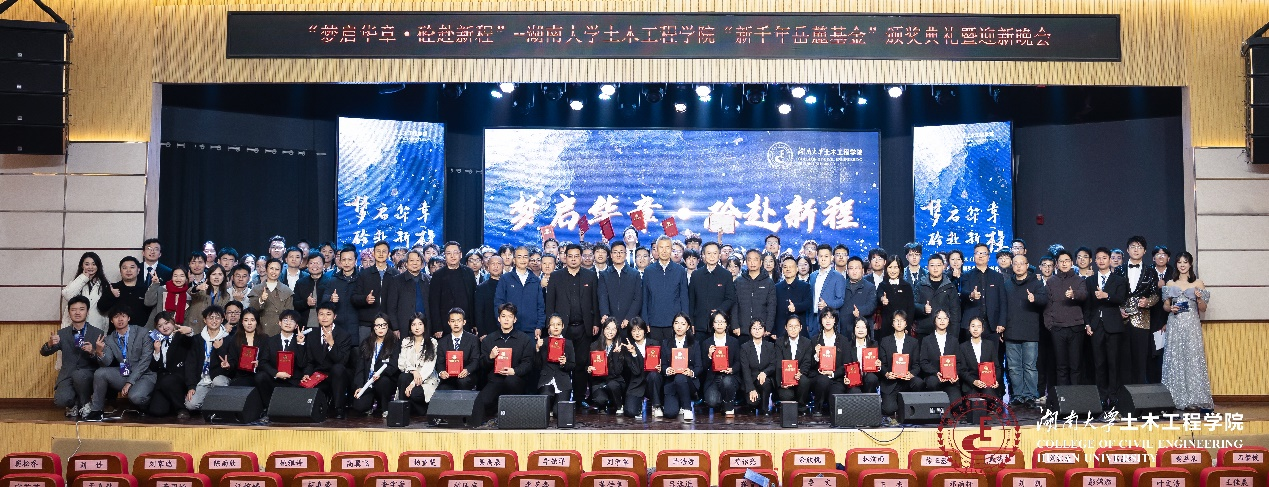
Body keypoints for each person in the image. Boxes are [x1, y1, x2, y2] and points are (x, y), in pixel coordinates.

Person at [545, 244, 601, 401]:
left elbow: (595, 302)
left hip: (584, 326)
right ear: (565, 257)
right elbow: (550, 303)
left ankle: (579, 399)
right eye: (570, 256)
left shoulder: (590, 276)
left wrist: (596, 322)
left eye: (577, 256)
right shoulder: (556, 276)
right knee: (561, 362)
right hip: (562, 328)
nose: (574, 259)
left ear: (581, 257)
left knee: (581, 363)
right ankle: (561, 398)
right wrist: (550, 325)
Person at [1160, 252, 1212, 411]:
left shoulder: (1198, 283)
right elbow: (1165, 306)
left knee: (1192, 359)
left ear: (1190, 264)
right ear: (1176, 264)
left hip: (1191, 325)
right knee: (1175, 359)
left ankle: (1195, 398)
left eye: (1185, 262)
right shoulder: (1170, 283)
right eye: (1179, 262)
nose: (1182, 265)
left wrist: (1199, 298)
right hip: (1175, 324)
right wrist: (1171, 308)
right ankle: (1174, 398)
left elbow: (1203, 309)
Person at [86, 306, 156, 421]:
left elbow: (145, 362)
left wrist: (129, 382)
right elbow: (106, 362)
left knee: (136, 397)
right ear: (111, 320)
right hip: (125, 373)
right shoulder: (109, 339)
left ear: (129, 318)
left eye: (123, 316)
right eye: (116, 317)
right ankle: (96, 410)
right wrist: (99, 351)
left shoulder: (143, 333)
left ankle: (147, 404)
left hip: (144, 375)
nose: (120, 319)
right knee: (100, 373)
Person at [470, 303, 535, 426]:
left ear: (515, 319)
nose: (506, 319)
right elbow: (481, 365)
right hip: (495, 380)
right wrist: (490, 357)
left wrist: (514, 371)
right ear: (499, 319)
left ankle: (511, 416)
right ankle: (482, 424)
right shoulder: (489, 339)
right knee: (481, 402)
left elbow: (528, 363)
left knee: (510, 381)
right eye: (503, 316)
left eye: (510, 316)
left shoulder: (524, 339)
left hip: (515, 379)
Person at [41, 296, 105, 418]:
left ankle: (85, 403)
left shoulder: (97, 333)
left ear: (87, 312)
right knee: (61, 400)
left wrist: (93, 351)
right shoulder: (62, 333)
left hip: (88, 375)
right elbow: (44, 353)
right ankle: (73, 405)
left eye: (81, 309)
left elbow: (103, 361)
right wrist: (49, 344)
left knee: (79, 375)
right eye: (73, 309)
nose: (77, 312)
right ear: (69, 312)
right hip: (68, 374)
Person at [1085, 247, 1128, 411]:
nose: (1101, 260)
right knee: (1099, 363)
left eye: (1104, 257)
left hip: (1113, 325)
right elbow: (1087, 306)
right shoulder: (1090, 281)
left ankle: (1114, 396)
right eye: (1098, 258)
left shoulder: (1119, 280)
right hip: (1096, 326)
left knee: (1113, 362)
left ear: (1110, 260)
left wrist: (1106, 296)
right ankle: (1102, 397)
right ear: (1094, 261)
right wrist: (1087, 323)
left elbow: (1121, 298)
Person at [1003, 254, 1048, 408]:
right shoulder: (1007, 284)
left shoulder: (1036, 283)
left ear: (1027, 265)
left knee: (1029, 367)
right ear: (1012, 266)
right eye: (1015, 263)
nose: (1018, 266)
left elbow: (1044, 300)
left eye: (1021, 263)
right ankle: (1018, 395)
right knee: (1014, 367)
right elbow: (1003, 307)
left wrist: (1035, 299)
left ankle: (1030, 395)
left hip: (1030, 331)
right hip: (1011, 331)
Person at [1117, 236, 1160, 386]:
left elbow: (1156, 295)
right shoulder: (1119, 270)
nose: (1136, 250)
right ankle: (1123, 394)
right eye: (1133, 247)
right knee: (1123, 360)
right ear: (1127, 250)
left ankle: (1140, 395)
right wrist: (1119, 309)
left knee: (1140, 360)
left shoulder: (1151, 271)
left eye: (1140, 247)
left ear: (1145, 251)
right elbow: (1113, 293)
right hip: (1121, 321)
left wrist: (1148, 302)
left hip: (1142, 320)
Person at [1044, 250, 1088, 396]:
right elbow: (1047, 306)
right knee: (1061, 366)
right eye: (1061, 261)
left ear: (1072, 263)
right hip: (1057, 329)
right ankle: (1063, 399)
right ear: (1057, 264)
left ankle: (1076, 397)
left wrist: (1074, 294)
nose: (1064, 263)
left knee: (1076, 366)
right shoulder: (1051, 281)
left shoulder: (1079, 280)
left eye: (1067, 261)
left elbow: (1084, 295)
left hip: (1076, 328)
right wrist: (1050, 325)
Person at [300, 302, 354, 419]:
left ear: (335, 316)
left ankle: (339, 408)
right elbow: (310, 361)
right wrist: (307, 374)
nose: (324, 317)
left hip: (338, 375)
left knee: (338, 369)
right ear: (317, 316)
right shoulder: (312, 334)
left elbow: (342, 361)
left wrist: (331, 344)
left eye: (328, 314)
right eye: (321, 314)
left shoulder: (344, 335)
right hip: (319, 375)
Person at [182, 306, 232, 415]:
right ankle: (211, 405)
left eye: (217, 318)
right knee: (191, 404)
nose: (214, 321)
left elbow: (232, 363)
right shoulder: (197, 339)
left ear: (222, 319)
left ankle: (216, 407)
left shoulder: (228, 339)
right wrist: (191, 386)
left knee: (218, 381)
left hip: (220, 378)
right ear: (205, 320)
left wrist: (220, 349)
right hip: (203, 381)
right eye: (211, 318)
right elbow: (190, 364)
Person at [642, 236, 690, 343]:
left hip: (675, 323)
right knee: (654, 352)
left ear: (671, 249)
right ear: (656, 249)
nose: (664, 251)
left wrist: (685, 321)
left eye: (667, 247)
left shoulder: (680, 270)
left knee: (673, 352)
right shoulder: (649, 271)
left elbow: (684, 298)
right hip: (654, 322)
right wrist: (645, 321)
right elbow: (645, 298)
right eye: (661, 247)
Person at [351, 314, 400, 417]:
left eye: (383, 325)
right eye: (377, 325)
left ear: (388, 326)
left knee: (383, 382)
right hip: (368, 382)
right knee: (359, 407)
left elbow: (394, 366)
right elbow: (360, 368)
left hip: (384, 381)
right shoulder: (366, 343)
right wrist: (359, 386)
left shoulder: (394, 343)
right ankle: (371, 402)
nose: (380, 328)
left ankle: (385, 407)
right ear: (373, 327)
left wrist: (381, 374)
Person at [146, 312, 192, 418]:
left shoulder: (181, 335)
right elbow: (153, 368)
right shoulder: (157, 341)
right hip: (163, 379)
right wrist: (157, 351)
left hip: (179, 377)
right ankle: (172, 403)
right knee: (156, 411)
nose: (164, 327)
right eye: (160, 326)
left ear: (173, 321)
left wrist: (189, 331)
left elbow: (191, 340)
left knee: (167, 381)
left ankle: (182, 409)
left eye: (166, 323)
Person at [879, 310, 921, 424]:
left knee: (918, 383)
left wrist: (911, 374)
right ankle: (897, 404)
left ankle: (910, 405)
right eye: (896, 320)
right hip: (891, 383)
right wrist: (887, 374)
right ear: (892, 323)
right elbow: (881, 364)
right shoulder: (885, 341)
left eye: (901, 320)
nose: (899, 323)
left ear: (906, 323)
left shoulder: (913, 342)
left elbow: (917, 365)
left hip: (907, 381)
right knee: (888, 409)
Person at [428, 241, 476, 339]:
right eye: (449, 253)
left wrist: (474, 324)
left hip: (466, 324)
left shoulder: (469, 273)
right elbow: (434, 303)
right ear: (444, 255)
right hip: (445, 325)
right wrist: (437, 327)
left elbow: (474, 299)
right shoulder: (437, 275)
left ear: (460, 255)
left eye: (455, 253)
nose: (452, 256)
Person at [689, 241, 736, 342]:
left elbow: (730, 298)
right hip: (699, 325)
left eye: (715, 253)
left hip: (719, 325)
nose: (712, 256)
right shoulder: (696, 275)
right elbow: (691, 300)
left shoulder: (726, 275)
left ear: (719, 255)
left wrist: (719, 310)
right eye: (708, 253)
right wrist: (691, 322)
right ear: (703, 255)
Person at [355, 241, 401, 341]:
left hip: (388, 323)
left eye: (384, 251)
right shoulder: (364, 274)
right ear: (373, 253)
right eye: (378, 251)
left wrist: (395, 325)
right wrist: (365, 299)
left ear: (389, 254)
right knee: (365, 350)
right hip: (367, 323)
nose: (381, 254)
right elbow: (354, 297)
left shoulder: (396, 274)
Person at [960, 244, 1007, 343]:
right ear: (974, 256)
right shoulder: (966, 275)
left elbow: (1003, 301)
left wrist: (1002, 322)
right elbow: (963, 293)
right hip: (971, 324)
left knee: (991, 352)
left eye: (984, 253)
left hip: (992, 325)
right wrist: (971, 295)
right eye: (978, 253)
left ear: (988, 257)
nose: (980, 256)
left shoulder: (997, 277)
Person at [496, 246, 546, 337]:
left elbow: (540, 306)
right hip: (510, 328)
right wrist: (501, 324)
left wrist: (539, 326)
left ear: (529, 259)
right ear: (514, 260)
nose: (522, 260)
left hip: (532, 330)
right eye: (519, 257)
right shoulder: (505, 279)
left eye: (525, 257)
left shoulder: (535, 280)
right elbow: (498, 303)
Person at [659, 313, 701, 421]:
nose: (679, 326)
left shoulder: (694, 343)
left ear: (688, 327)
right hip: (671, 382)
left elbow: (699, 366)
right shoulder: (665, 343)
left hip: (688, 382)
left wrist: (691, 372)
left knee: (680, 377)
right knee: (669, 413)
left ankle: (687, 408)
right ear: (673, 325)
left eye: (683, 324)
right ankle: (679, 403)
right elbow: (663, 365)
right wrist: (667, 370)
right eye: (676, 323)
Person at [619, 318, 663, 419]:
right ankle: (639, 404)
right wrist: (634, 354)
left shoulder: (655, 343)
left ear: (645, 330)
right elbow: (636, 372)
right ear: (630, 333)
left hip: (653, 382)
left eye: (639, 330)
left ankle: (656, 406)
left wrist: (661, 366)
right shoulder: (628, 348)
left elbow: (663, 364)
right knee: (630, 412)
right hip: (637, 383)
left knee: (654, 375)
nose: (637, 333)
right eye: (634, 331)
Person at [699, 310, 740, 416]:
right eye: (717, 322)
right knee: (712, 402)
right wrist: (709, 355)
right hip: (713, 378)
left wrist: (732, 369)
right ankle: (721, 402)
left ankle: (728, 404)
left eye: (722, 322)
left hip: (729, 377)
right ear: (712, 324)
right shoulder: (706, 343)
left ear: (726, 324)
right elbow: (703, 367)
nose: (719, 324)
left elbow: (738, 362)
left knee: (727, 382)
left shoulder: (734, 342)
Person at [397, 313, 440, 416]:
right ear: (410, 327)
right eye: (413, 324)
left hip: (427, 380)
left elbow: (428, 368)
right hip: (411, 377)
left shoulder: (432, 342)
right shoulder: (406, 341)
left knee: (414, 394)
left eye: (420, 324)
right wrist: (413, 371)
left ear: (425, 326)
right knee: (403, 377)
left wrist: (412, 385)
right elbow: (401, 363)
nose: (417, 327)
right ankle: (402, 411)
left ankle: (422, 410)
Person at [228, 307, 273, 404]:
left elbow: (270, 359)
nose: (249, 323)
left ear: (257, 322)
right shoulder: (235, 339)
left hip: (260, 373)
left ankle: (267, 407)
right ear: (242, 322)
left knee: (261, 378)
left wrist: (260, 363)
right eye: (246, 320)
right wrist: (228, 365)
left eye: (252, 320)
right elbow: (232, 361)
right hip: (243, 375)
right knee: (236, 385)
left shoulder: (265, 338)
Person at [918, 309, 962, 406]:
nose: (942, 321)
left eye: (945, 318)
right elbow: (923, 362)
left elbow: (958, 362)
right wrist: (936, 372)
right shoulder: (926, 340)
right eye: (939, 318)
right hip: (934, 378)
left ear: (948, 321)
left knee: (957, 404)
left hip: (950, 380)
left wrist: (955, 374)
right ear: (934, 320)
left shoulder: (954, 340)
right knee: (932, 383)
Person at [913, 254, 961, 341]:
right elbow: (913, 305)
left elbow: (955, 312)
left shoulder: (950, 286)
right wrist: (923, 308)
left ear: (943, 267)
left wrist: (954, 336)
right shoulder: (920, 285)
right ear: (927, 267)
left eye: (938, 265)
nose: (935, 268)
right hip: (924, 331)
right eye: (932, 265)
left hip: (945, 332)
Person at [598, 241, 642, 333]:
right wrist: (605, 314)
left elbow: (637, 298)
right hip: (610, 323)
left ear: (626, 255)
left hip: (630, 322)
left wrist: (629, 318)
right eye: (615, 252)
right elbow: (603, 297)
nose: (618, 255)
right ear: (611, 255)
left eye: (621, 252)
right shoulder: (604, 275)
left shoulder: (635, 274)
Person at [536, 314, 577, 415]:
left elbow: (572, 365)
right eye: (552, 324)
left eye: (558, 324)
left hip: (563, 382)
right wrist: (537, 349)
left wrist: (564, 363)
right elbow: (537, 366)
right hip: (546, 380)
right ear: (549, 327)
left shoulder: (568, 343)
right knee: (545, 405)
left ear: (563, 326)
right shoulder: (543, 342)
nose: (555, 327)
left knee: (558, 413)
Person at [98, 256, 152, 330]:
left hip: (140, 333)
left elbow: (151, 313)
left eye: (132, 267)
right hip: (116, 333)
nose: (128, 270)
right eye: (124, 268)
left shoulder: (145, 289)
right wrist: (111, 295)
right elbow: (101, 308)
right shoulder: (113, 288)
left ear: (138, 270)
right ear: (120, 271)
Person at [385, 250, 430, 338]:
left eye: (418, 260)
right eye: (411, 260)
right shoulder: (396, 281)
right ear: (406, 263)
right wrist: (395, 327)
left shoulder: (428, 280)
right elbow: (391, 307)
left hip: (425, 326)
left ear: (422, 264)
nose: (415, 263)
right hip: (403, 327)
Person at [733, 249, 776, 340]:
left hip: (762, 330)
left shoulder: (768, 282)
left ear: (761, 262)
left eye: (755, 259)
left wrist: (768, 327)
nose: (752, 263)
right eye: (749, 259)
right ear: (746, 262)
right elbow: (734, 305)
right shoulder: (738, 281)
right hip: (742, 330)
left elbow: (771, 307)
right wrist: (735, 325)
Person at [776, 316, 815, 415]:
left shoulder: (807, 342)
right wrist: (782, 381)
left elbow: (807, 362)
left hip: (799, 377)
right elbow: (778, 364)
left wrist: (800, 372)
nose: (793, 329)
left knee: (804, 381)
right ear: (786, 327)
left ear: (801, 328)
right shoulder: (779, 342)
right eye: (790, 326)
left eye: (796, 326)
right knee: (787, 396)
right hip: (785, 380)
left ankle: (801, 406)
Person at [588, 319, 628, 414]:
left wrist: (616, 354)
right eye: (608, 328)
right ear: (603, 329)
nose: (610, 332)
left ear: (617, 331)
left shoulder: (621, 346)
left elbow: (617, 372)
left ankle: (619, 406)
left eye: (613, 329)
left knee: (612, 385)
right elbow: (587, 365)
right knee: (600, 400)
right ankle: (604, 404)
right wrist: (589, 369)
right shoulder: (594, 346)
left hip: (615, 381)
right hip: (599, 382)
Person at [62, 252, 110, 330]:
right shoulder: (76, 282)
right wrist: (84, 278)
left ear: (98, 266)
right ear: (82, 266)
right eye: (87, 264)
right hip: (75, 328)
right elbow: (67, 295)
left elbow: (105, 310)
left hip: (96, 327)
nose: (90, 267)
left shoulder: (104, 284)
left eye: (93, 264)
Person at [738, 320, 777, 415]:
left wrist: (765, 373)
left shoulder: (770, 346)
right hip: (750, 381)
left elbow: (773, 364)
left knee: (766, 382)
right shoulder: (744, 347)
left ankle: (764, 408)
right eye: (754, 328)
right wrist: (751, 389)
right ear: (750, 330)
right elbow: (745, 370)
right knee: (753, 403)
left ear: (764, 331)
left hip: (764, 380)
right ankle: (754, 402)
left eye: (760, 328)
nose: (757, 330)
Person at [810, 309, 845, 412]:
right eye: (825, 317)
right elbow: (809, 365)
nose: (828, 320)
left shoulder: (843, 340)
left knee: (834, 407)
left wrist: (833, 374)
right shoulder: (814, 340)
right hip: (819, 378)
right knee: (823, 380)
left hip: (836, 378)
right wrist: (816, 356)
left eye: (831, 317)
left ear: (835, 320)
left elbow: (846, 364)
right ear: (821, 320)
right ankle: (817, 409)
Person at [436, 308, 480, 391]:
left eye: (459, 321)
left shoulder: (473, 339)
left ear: (464, 322)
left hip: (467, 376)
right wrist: (441, 372)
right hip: (449, 377)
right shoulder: (442, 342)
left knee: (462, 381)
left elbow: (476, 360)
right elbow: (440, 362)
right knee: (442, 388)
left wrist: (467, 370)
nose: (456, 324)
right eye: (453, 321)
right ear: (449, 323)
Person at [808, 245, 846, 336]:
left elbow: (840, 300)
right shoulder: (813, 276)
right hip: (813, 320)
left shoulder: (838, 277)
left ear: (831, 258)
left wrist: (827, 304)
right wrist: (808, 322)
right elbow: (809, 299)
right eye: (821, 256)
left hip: (829, 320)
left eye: (826, 256)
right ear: (817, 257)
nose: (823, 259)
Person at [249, 258, 293, 336]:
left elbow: (289, 314)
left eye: (277, 269)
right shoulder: (257, 289)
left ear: (280, 272)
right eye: (271, 268)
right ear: (266, 270)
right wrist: (261, 300)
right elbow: (251, 311)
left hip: (280, 330)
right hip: (260, 329)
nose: (274, 272)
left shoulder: (286, 290)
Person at [324, 245, 361, 339]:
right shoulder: (332, 280)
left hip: (358, 327)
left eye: (350, 259)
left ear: (356, 261)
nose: (346, 263)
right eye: (343, 260)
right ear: (340, 261)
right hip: (338, 326)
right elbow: (323, 300)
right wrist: (331, 299)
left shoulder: (362, 279)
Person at [877, 256, 915, 338]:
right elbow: (879, 295)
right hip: (886, 328)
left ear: (900, 269)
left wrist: (907, 326)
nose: (893, 271)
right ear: (886, 269)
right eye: (890, 267)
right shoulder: (882, 285)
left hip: (903, 328)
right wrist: (882, 299)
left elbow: (911, 309)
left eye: (895, 267)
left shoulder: (906, 286)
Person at [775, 256, 813, 339]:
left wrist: (796, 307)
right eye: (785, 267)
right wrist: (774, 330)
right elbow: (773, 309)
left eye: (791, 267)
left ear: (797, 269)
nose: (788, 269)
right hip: (780, 330)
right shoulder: (777, 287)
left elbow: (808, 303)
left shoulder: (805, 286)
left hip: (799, 330)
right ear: (782, 269)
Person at [187, 264, 232, 333]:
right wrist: (197, 288)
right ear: (209, 277)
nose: (216, 277)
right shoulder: (201, 289)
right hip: (196, 326)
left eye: (220, 274)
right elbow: (190, 291)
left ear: (223, 277)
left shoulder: (226, 295)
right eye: (213, 274)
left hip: (214, 329)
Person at [292, 252, 331, 328]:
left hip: (325, 325)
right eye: (311, 263)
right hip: (304, 325)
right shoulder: (300, 282)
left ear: (324, 265)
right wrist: (306, 303)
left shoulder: (330, 282)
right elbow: (295, 304)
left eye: (318, 263)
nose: (315, 265)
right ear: (307, 265)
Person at [842, 319, 880, 394]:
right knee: (854, 391)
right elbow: (845, 365)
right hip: (854, 380)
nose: (860, 330)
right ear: (854, 329)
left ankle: (868, 400)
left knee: (872, 378)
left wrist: (878, 365)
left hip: (868, 379)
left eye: (863, 327)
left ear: (867, 330)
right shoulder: (848, 345)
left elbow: (878, 367)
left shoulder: (874, 345)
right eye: (858, 327)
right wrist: (846, 377)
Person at [473, 255, 504, 337]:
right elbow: (478, 312)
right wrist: (482, 332)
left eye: (498, 263)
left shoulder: (508, 285)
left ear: (503, 266)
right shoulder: (481, 288)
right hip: (489, 332)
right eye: (493, 264)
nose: (496, 266)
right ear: (488, 267)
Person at [843, 257, 878, 329]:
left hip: (863, 329)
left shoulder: (870, 287)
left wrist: (860, 311)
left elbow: (871, 306)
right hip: (844, 328)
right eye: (851, 268)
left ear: (862, 270)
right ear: (847, 271)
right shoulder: (841, 285)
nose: (854, 271)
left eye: (857, 268)